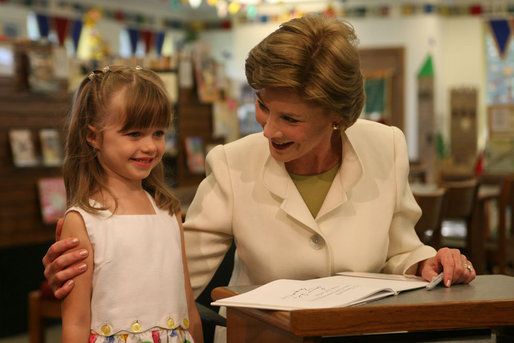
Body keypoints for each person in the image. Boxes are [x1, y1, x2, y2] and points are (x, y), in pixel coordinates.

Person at [43, 14, 475, 340]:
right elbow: (170, 268)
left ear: (337, 118)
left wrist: (426, 260)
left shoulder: (387, 146)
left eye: (290, 118)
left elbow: (401, 247)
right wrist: (87, 269)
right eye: (263, 106)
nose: (268, 130)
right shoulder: (233, 162)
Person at [57, 65, 202, 343]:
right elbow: (75, 322)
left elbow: (188, 304)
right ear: (93, 136)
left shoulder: (168, 211)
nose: (150, 146)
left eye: (158, 133)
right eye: (135, 134)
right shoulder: (84, 220)